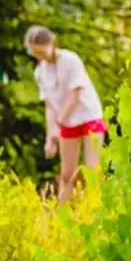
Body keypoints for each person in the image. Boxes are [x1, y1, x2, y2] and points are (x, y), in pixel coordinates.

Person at [25, 26, 105, 205]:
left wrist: (59, 123)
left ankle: (96, 209)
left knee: (92, 169)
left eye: (42, 51)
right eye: (35, 53)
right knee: (68, 173)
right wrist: (50, 136)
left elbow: (75, 94)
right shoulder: (40, 73)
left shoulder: (70, 60)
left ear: (52, 42)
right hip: (67, 122)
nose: (40, 57)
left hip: (89, 117)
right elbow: (49, 106)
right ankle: (62, 216)